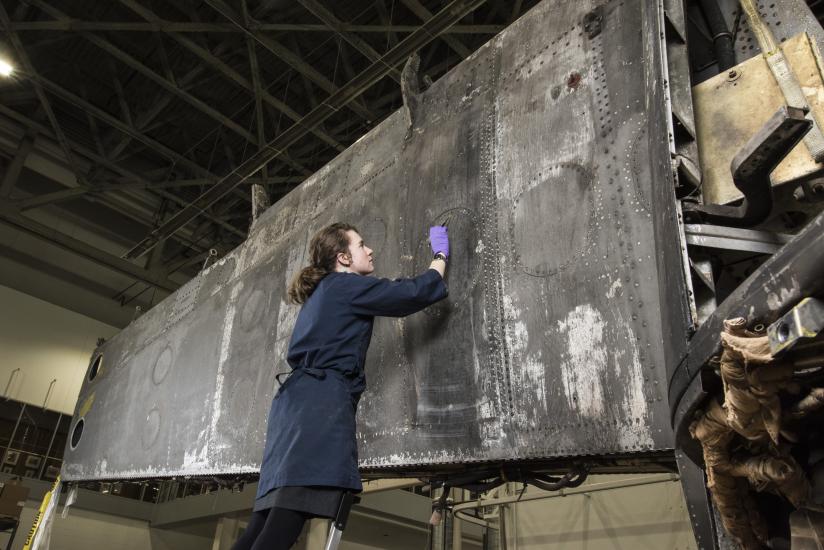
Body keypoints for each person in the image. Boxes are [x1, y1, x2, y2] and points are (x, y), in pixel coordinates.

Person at [232, 222, 450, 550]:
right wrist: (440, 255)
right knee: (285, 522)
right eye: (361, 245)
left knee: (264, 522)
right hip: (317, 408)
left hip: (292, 410)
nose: (370, 250)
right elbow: (409, 294)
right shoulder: (344, 286)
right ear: (344, 257)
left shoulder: (321, 294)